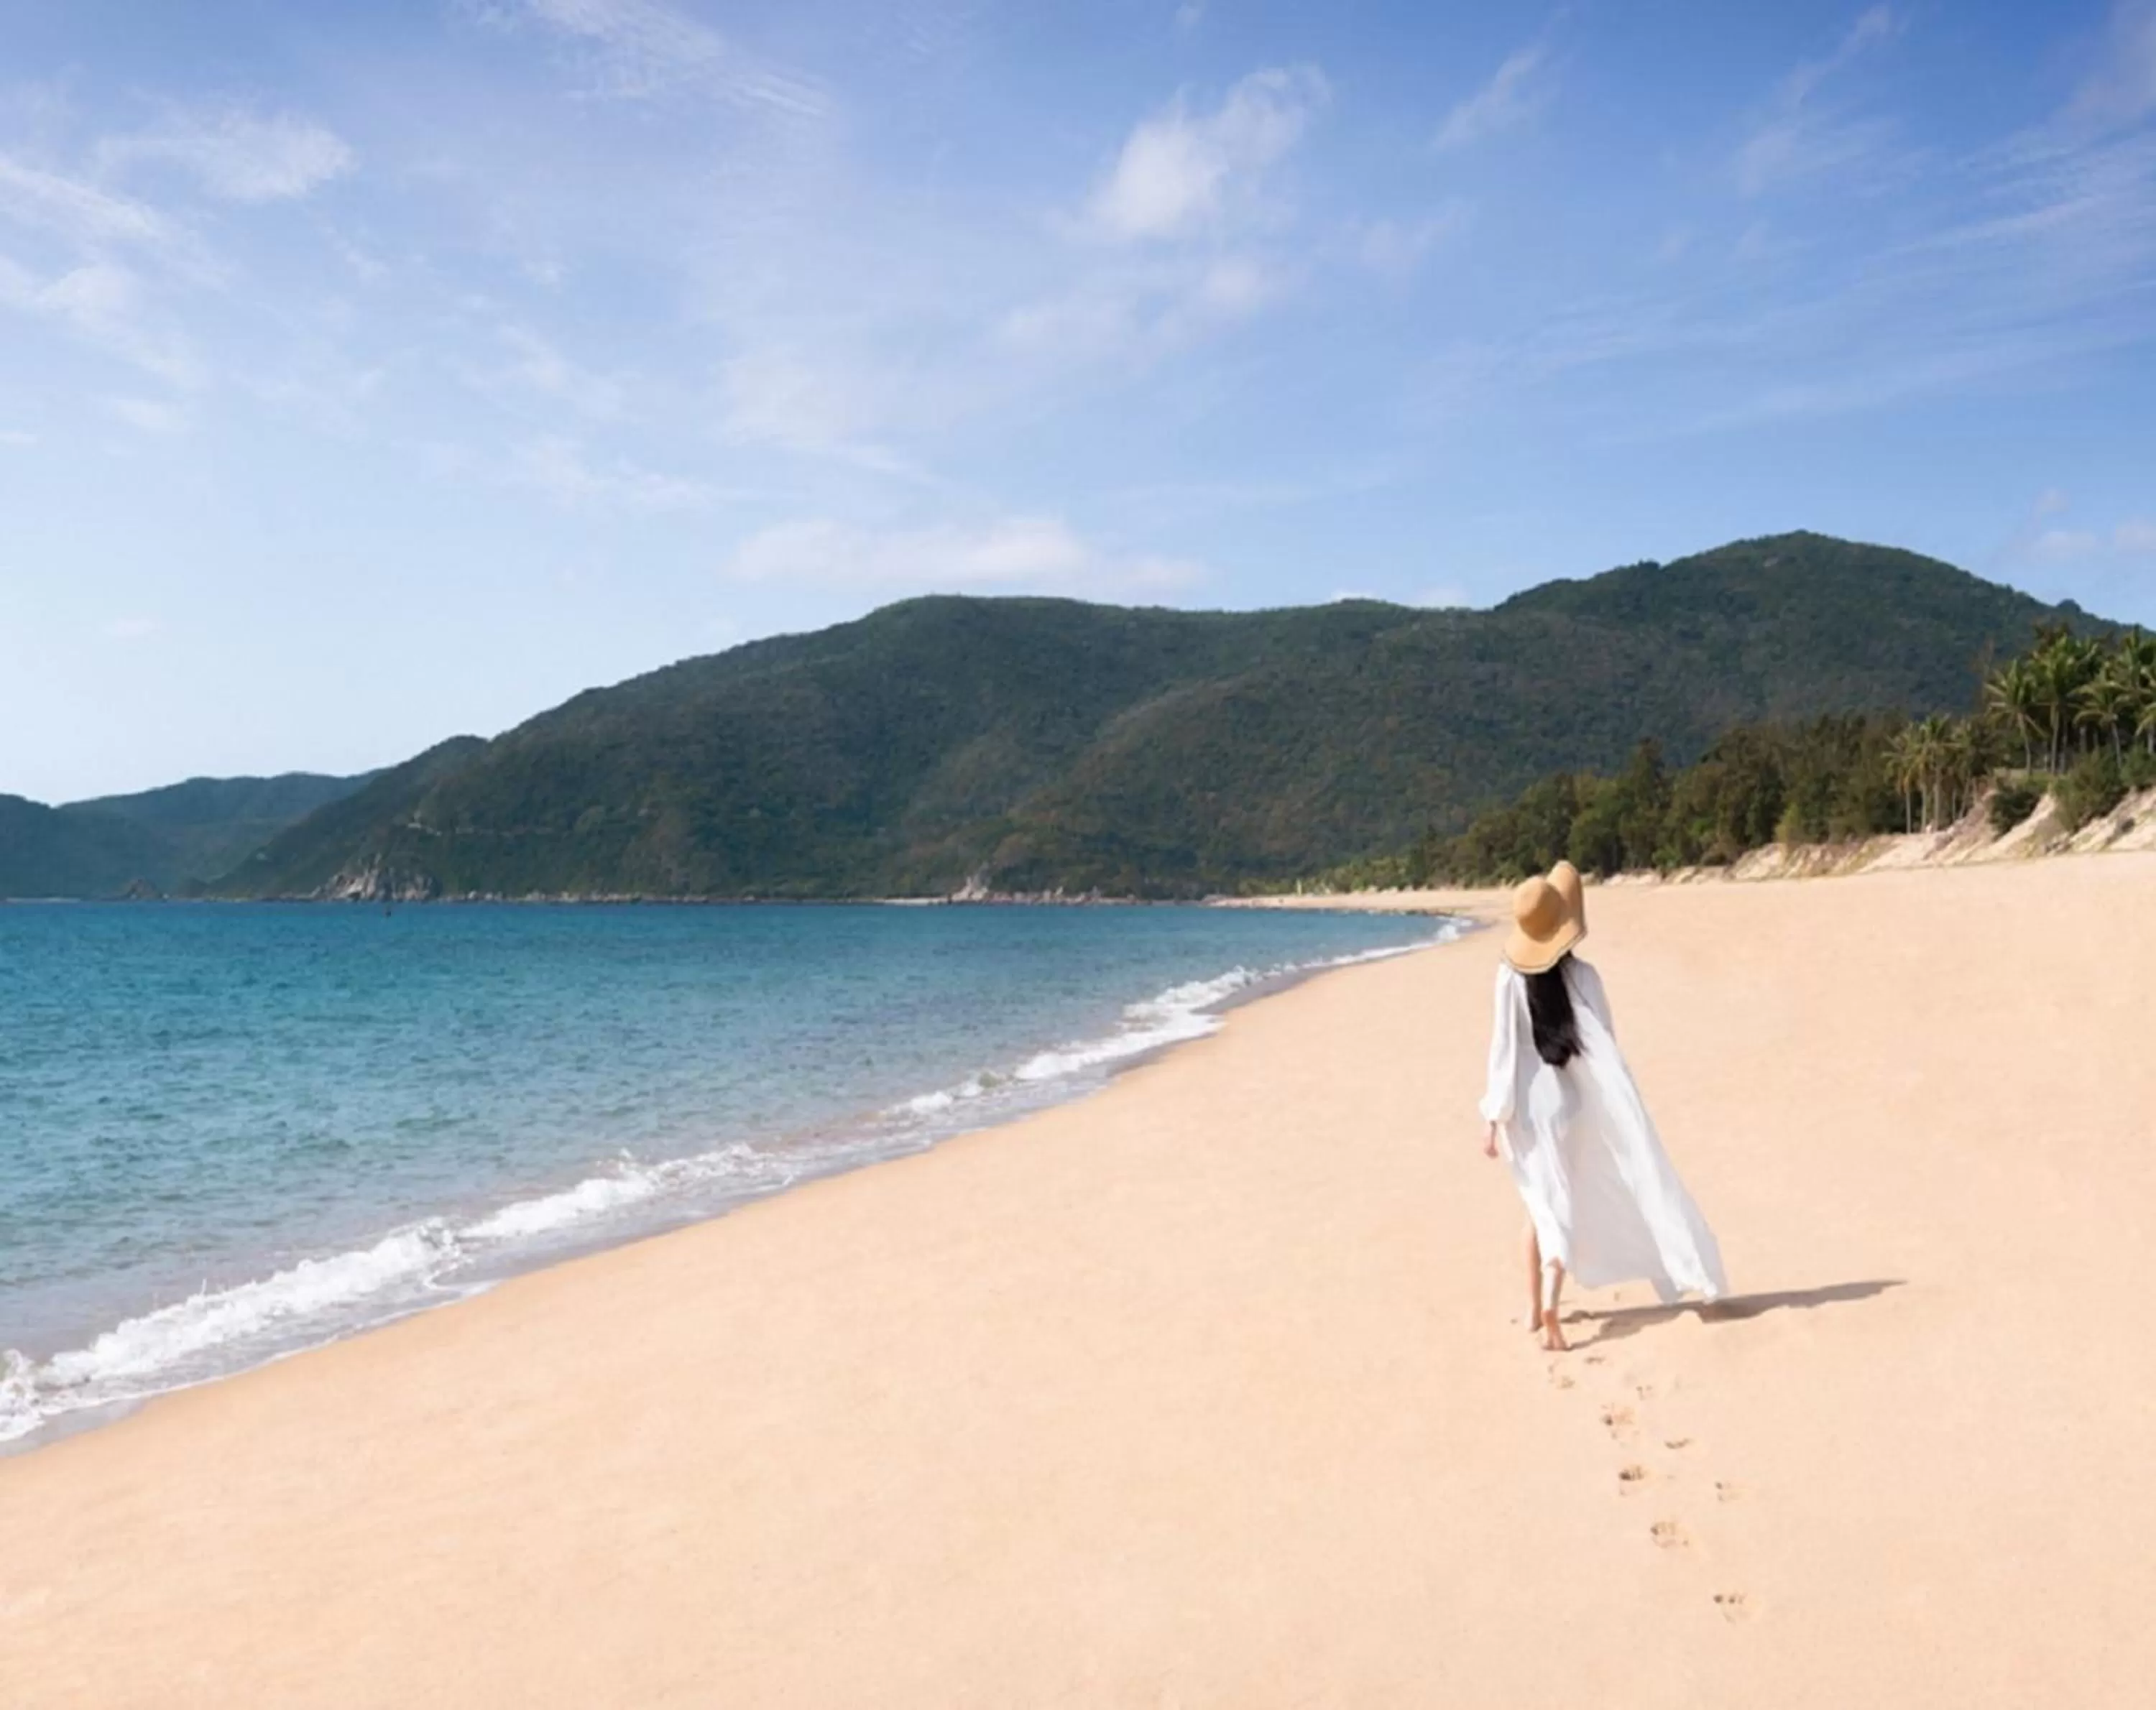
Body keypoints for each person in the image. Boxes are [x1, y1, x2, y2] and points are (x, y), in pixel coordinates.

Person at [1480, 861, 1726, 1351]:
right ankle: (1546, 1298)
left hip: (1527, 1110)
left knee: (1539, 1205)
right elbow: (1605, 1046)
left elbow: (1503, 1053)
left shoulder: (1509, 979)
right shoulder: (1585, 978)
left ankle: (1538, 1305)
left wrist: (1492, 1116)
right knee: (1558, 1203)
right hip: (1571, 1105)